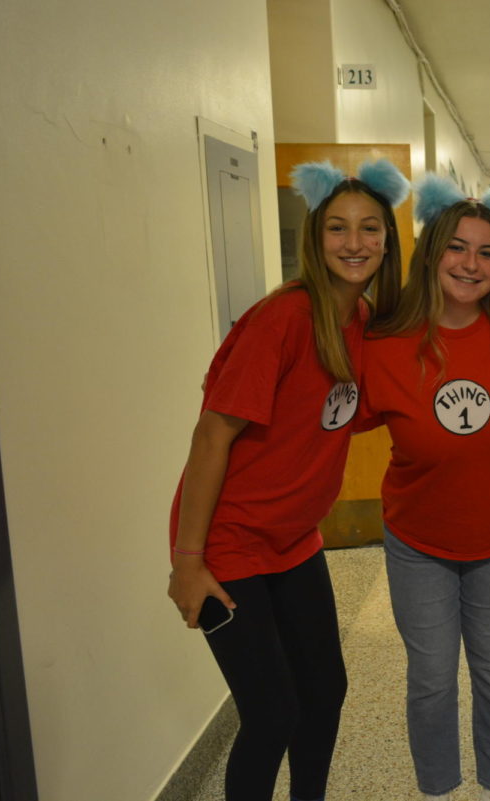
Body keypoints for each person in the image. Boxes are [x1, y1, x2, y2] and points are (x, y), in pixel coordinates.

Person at [166, 158, 409, 801]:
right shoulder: (282, 319)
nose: (354, 243)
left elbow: (334, 417)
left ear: (388, 239)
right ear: (314, 237)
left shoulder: (360, 324)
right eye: (337, 228)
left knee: (325, 694)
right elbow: (212, 435)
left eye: (369, 228)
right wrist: (188, 561)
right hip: (230, 544)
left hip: (294, 540)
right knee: (272, 713)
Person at [357, 174, 490, 801]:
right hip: (418, 541)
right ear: (431, 254)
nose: (471, 263)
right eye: (458, 247)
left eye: (487, 252)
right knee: (431, 678)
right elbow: (330, 416)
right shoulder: (385, 343)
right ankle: (437, 790)